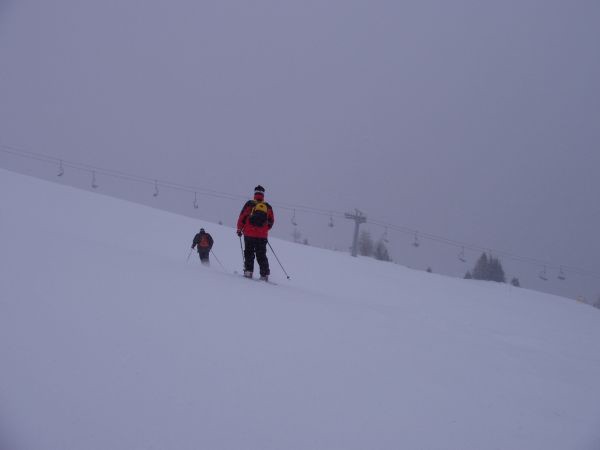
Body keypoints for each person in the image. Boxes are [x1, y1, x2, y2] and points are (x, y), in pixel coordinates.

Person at [236, 185, 274, 281]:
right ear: (263, 194)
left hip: (249, 234)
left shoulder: (249, 204)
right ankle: (264, 275)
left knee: (249, 253)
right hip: (261, 236)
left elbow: (242, 217)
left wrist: (239, 229)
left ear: (255, 193)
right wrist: (264, 229)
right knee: (261, 254)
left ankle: (248, 272)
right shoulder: (267, 207)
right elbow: (271, 221)